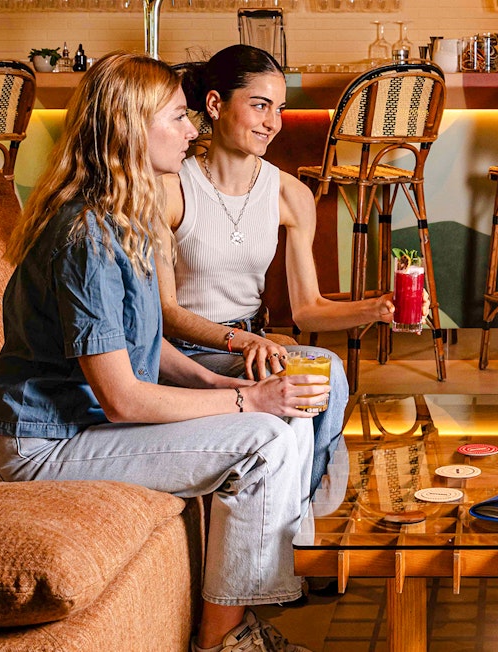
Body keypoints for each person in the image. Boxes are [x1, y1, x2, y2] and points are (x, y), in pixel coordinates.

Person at [0, 52, 318, 652]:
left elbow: (145, 342)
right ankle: (223, 640)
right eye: (179, 117)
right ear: (131, 127)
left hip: (82, 426)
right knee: (266, 439)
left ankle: (249, 609)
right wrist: (247, 398)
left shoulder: (124, 214)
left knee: (285, 423)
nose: (194, 132)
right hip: (44, 444)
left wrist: (219, 387)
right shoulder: (84, 232)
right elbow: (122, 398)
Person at [158, 45, 391, 495]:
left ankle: (305, 507)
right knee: (308, 376)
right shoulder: (171, 188)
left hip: (255, 346)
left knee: (326, 369)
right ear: (214, 104)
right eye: (260, 105)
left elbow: (308, 311)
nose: (273, 123)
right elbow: (165, 310)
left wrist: (377, 309)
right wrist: (245, 340)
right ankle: (303, 513)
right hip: (184, 352)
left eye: (279, 109)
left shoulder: (290, 194)